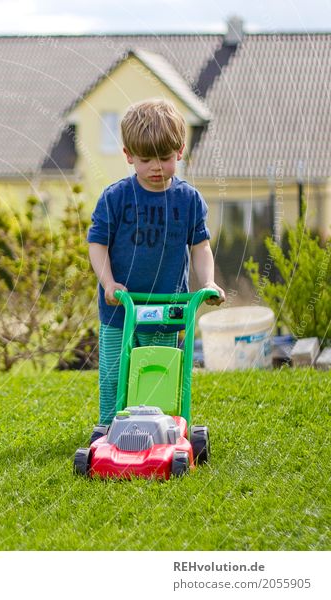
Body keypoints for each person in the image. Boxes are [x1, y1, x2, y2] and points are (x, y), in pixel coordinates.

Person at [86, 98, 225, 426]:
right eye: (146, 159)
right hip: (119, 308)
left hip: (166, 308)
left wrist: (207, 283)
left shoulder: (188, 200)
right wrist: (108, 283)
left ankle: (157, 429)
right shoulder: (115, 198)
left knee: (157, 376)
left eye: (164, 157)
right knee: (113, 376)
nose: (156, 167)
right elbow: (97, 244)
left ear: (179, 151)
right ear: (128, 156)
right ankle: (109, 429)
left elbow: (201, 247)